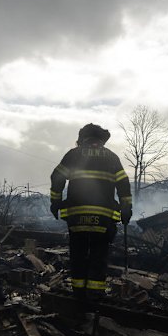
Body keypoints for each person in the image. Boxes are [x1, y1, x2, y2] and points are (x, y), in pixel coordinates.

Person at [50, 123, 132, 300]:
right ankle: (95, 297)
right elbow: (124, 184)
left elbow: (57, 177)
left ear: (82, 139)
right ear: (101, 140)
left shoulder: (73, 154)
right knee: (99, 256)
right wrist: (126, 208)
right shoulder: (112, 157)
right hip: (103, 218)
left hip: (76, 217)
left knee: (78, 256)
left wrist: (55, 201)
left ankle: (79, 296)